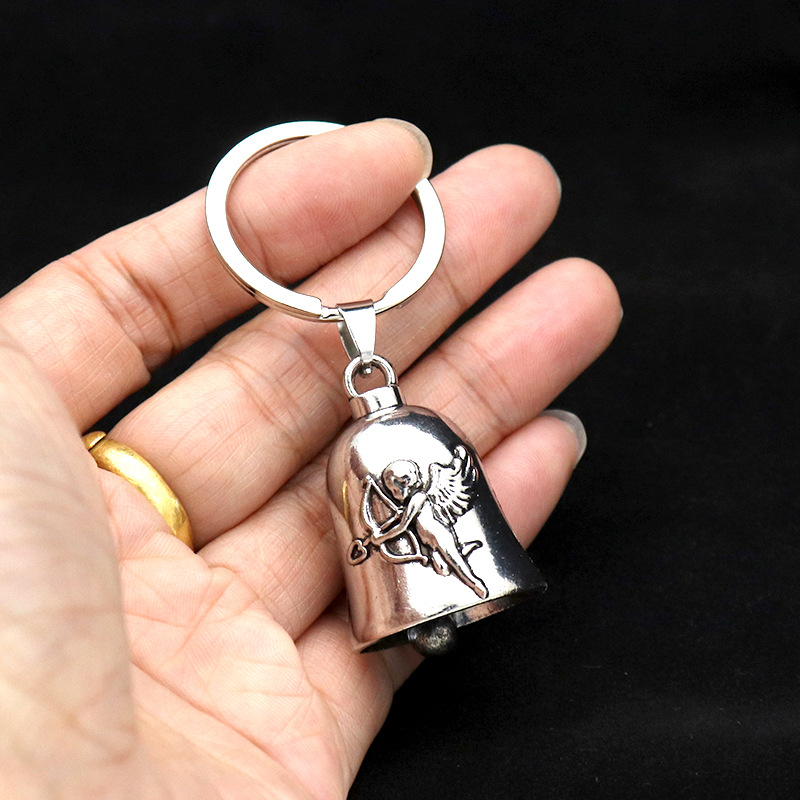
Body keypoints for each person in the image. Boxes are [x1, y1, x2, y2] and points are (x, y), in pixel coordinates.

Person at [0, 119, 620, 798]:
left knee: (452, 560)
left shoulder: (391, 459)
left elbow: (402, 512)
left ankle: (462, 584)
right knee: (450, 560)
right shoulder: (375, 467)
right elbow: (386, 519)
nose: (401, 479)